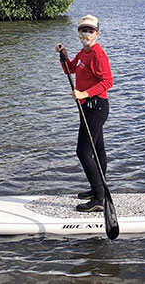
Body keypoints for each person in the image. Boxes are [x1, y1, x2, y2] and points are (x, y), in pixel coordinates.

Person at [55, 14, 113, 212]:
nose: (86, 33)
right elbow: (70, 69)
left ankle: (99, 198)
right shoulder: (83, 53)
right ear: (79, 32)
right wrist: (64, 55)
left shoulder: (97, 54)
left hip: (96, 107)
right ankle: (98, 189)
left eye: (90, 30)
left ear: (97, 33)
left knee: (82, 151)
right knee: (97, 150)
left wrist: (84, 93)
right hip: (87, 107)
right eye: (83, 30)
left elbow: (107, 82)